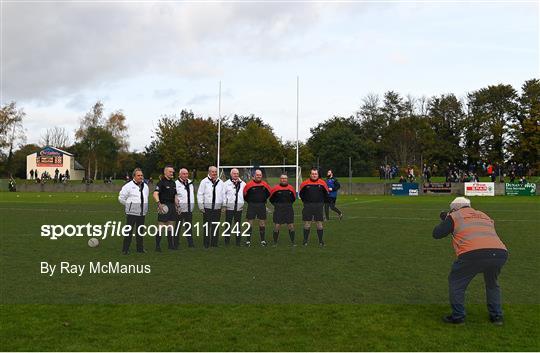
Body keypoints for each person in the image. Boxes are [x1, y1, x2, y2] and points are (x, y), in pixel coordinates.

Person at [433, 197, 508, 325]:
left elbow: (437, 233)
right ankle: (496, 316)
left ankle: (458, 316)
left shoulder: (455, 216)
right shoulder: (483, 214)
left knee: (456, 282)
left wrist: (447, 219)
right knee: (492, 283)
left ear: (454, 209)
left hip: (473, 253)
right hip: (500, 252)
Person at [118, 168, 149, 254]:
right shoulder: (128, 186)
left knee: (140, 232)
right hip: (131, 213)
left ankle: (140, 248)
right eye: (138, 175)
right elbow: (121, 198)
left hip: (142, 213)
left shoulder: (145, 186)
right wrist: (129, 206)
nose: (140, 177)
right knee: (129, 232)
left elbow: (145, 197)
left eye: (141, 175)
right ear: (134, 176)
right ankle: (125, 249)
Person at [299, 168, 329, 246]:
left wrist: (321, 203)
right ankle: (305, 241)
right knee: (307, 223)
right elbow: (301, 194)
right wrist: (306, 203)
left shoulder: (322, 183)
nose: (314, 175)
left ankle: (321, 241)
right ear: (310, 174)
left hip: (318, 207)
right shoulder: (305, 183)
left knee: (319, 223)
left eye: (315, 174)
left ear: (318, 175)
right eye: (313, 174)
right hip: (308, 206)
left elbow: (326, 194)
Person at [197, 166, 225, 248]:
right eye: (213, 172)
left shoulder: (220, 182)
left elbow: (223, 195)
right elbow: (200, 194)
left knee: (215, 226)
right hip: (207, 208)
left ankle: (214, 243)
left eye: (216, 172)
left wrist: (224, 205)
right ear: (209, 172)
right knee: (207, 226)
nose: (214, 173)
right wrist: (201, 206)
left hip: (217, 207)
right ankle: (206, 243)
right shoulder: (204, 182)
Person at [243, 169, 272, 247]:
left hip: (261, 205)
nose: (259, 176)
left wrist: (262, 199)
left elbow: (269, 193)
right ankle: (248, 241)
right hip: (251, 205)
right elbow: (245, 195)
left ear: (261, 176)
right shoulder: (249, 184)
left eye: (260, 175)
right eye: (257, 175)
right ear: (254, 176)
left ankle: (262, 241)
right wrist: (251, 201)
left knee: (262, 223)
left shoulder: (265, 184)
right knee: (250, 223)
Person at [153, 165, 177, 252]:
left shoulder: (173, 183)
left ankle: (171, 245)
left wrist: (177, 205)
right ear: (165, 172)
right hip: (164, 206)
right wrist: (159, 204)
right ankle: (157, 246)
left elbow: (175, 195)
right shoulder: (161, 182)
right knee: (161, 226)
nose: (172, 173)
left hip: (171, 206)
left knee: (170, 226)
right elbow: (155, 194)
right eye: (170, 172)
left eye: (172, 172)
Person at [269, 174, 296, 246]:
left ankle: (293, 242)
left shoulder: (291, 188)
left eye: (285, 178)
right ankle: (275, 242)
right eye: (282, 178)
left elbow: (293, 198)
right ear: (280, 179)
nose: (284, 180)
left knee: (291, 226)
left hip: (289, 210)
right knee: (277, 226)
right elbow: (271, 199)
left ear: (287, 179)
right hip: (278, 210)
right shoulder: (275, 188)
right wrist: (277, 205)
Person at [223, 168, 246, 246]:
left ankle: (238, 242)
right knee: (228, 225)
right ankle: (226, 242)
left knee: (238, 225)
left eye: (237, 173)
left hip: (239, 208)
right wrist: (224, 205)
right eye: (234, 173)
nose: (236, 175)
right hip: (229, 207)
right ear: (231, 174)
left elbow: (245, 195)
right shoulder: (226, 184)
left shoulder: (243, 183)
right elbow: (223, 196)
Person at [175, 168, 195, 248]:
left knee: (188, 227)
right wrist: (177, 207)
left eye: (187, 173)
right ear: (179, 175)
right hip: (179, 210)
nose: (186, 175)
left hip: (189, 209)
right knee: (178, 227)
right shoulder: (175, 183)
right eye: (184, 174)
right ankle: (175, 243)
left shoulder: (190, 182)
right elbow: (174, 196)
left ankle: (190, 243)